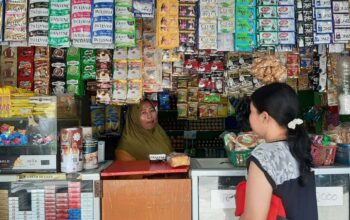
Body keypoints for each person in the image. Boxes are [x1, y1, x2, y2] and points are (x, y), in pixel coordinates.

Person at [240, 83, 318, 220]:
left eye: (252, 111)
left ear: (264, 117)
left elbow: (254, 217)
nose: (250, 116)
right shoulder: (300, 146)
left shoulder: (264, 156)